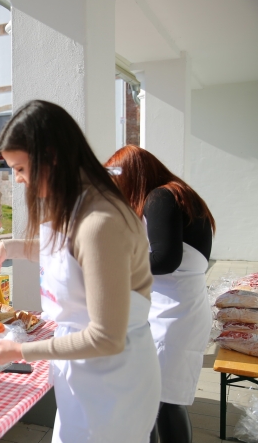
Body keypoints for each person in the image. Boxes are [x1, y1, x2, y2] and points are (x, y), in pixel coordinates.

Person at [0, 100, 159, 442]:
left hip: (113, 387)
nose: (17, 180)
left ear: (51, 156)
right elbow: (69, 256)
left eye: (20, 168)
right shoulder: (80, 202)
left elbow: (106, 337)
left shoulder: (100, 222)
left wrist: (20, 350)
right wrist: (13, 247)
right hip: (84, 379)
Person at [105, 146, 215, 443]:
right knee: (158, 402)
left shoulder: (161, 197)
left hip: (176, 316)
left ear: (134, 175)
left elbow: (165, 259)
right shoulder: (173, 194)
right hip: (176, 310)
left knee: (163, 403)